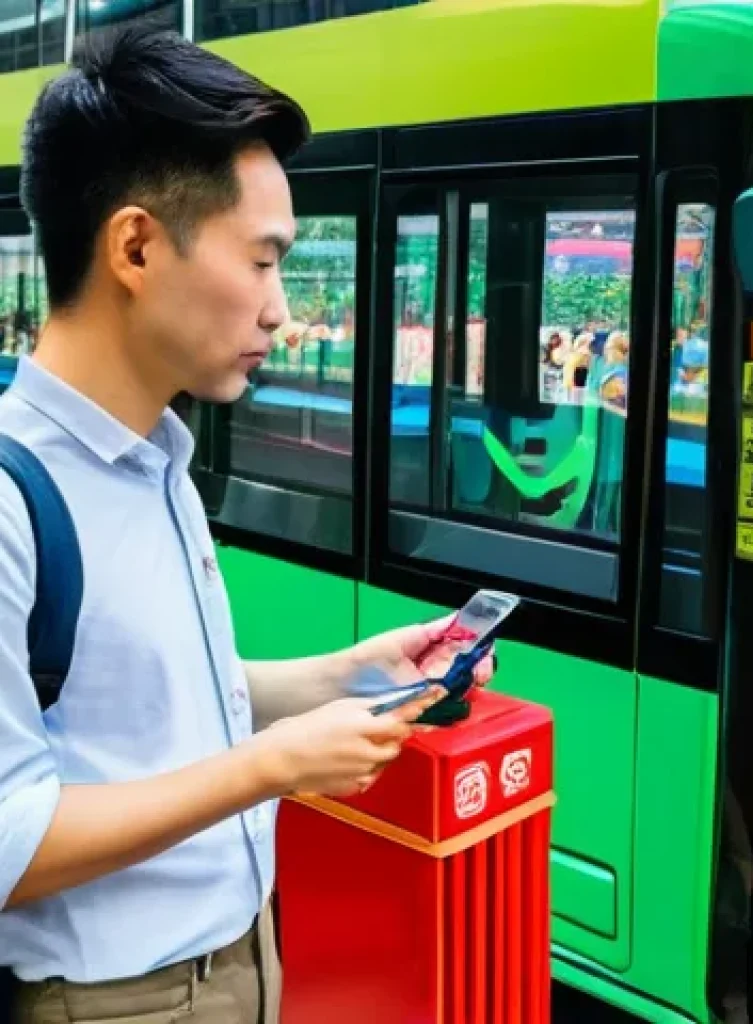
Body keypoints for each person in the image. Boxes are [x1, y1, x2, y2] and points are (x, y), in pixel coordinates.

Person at [0, 25, 494, 1024]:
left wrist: (353, 674)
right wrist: (271, 768)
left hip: (246, 961)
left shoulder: (159, 462)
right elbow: (11, 841)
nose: (281, 311)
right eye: (264, 262)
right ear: (135, 245)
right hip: (113, 1002)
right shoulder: (14, 497)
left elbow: (154, 701)